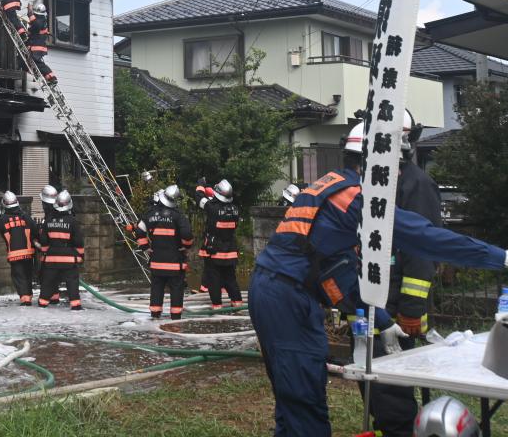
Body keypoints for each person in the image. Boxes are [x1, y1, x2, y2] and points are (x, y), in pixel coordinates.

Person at [249, 120, 508, 437]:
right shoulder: (355, 199)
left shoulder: (329, 188)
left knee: (294, 397)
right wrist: (501, 258)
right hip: (287, 298)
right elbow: (425, 237)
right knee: (304, 398)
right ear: (374, 162)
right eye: (395, 165)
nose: (399, 175)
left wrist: (383, 321)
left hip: (280, 291)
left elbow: (339, 275)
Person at [367, 110, 442, 437]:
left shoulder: (416, 185)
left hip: (399, 308)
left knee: (392, 392)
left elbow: (423, 250)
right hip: (376, 303)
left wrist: (411, 310)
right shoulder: (380, 179)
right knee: (376, 387)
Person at [133, 184, 193, 319]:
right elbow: (187, 234)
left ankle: (155, 315)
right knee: (177, 290)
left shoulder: (150, 213)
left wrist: (145, 247)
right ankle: (176, 319)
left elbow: (139, 231)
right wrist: (186, 246)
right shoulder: (178, 216)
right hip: (175, 263)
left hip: (157, 262)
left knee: (156, 290)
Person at [196, 178, 242, 309]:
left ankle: (217, 305)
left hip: (214, 250)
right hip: (230, 250)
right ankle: (237, 303)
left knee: (214, 279)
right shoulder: (235, 209)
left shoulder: (212, 208)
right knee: (230, 279)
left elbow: (199, 198)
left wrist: (201, 185)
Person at [37, 191, 84, 310]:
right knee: (72, 282)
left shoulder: (48, 220)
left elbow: (44, 240)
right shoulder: (72, 221)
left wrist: (46, 252)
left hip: (51, 259)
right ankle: (76, 305)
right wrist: (80, 256)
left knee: (48, 281)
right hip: (69, 259)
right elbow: (78, 241)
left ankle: (43, 303)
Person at [0, 191, 37, 305]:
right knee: (27, 275)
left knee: (19, 276)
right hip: (29, 254)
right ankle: (28, 296)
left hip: (14, 254)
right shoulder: (25, 217)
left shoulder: (2, 220)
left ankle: (25, 299)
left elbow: (2, 229)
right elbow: (34, 230)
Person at [26, 2, 57, 83]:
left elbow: (36, 25)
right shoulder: (41, 20)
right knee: (32, 61)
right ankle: (46, 76)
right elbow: (35, 29)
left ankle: (51, 77)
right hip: (36, 46)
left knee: (37, 63)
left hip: (37, 47)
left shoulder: (40, 20)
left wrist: (30, 13)